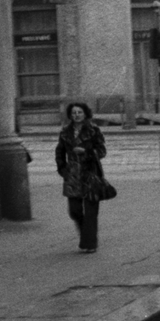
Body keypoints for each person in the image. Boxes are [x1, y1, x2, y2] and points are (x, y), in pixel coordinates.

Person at [55, 102, 108, 252]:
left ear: (85, 114)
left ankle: (90, 243)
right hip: (72, 175)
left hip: (90, 173)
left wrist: (86, 151)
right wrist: (62, 169)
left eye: (79, 112)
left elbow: (102, 151)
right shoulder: (65, 132)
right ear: (70, 115)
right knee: (74, 210)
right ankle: (87, 235)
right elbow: (59, 152)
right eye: (73, 113)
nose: (76, 115)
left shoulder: (94, 130)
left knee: (91, 211)